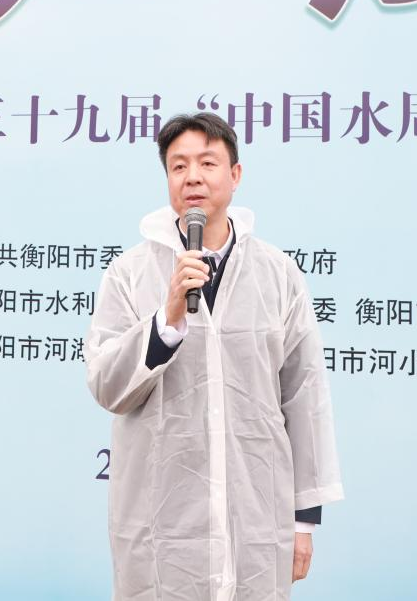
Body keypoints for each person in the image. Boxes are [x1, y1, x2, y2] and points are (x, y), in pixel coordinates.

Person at [86, 112, 344, 600]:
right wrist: (165, 321)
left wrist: (303, 521)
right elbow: (105, 383)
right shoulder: (129, 273)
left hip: (256, 513)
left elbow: (304, 393)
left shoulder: (278, 273)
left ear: (235, 174)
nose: (193, 178)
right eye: (179, 166)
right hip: (159, 518)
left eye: (207, 163)